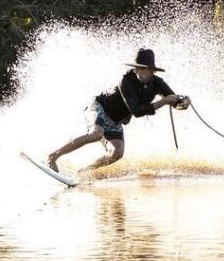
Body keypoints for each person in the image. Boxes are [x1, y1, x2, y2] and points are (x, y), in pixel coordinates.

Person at [47, 48, 187, 173]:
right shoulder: (127, 80)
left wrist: (184, 102)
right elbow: (137, 112)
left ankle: (83, 172)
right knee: (96, 133)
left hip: (115, 121)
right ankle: (53, 156)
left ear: (152, 70)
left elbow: (175, 101)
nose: (139, 72)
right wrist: (164, 101)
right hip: (99, 107)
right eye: (137, 68)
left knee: (117, 153)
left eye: (143, 69)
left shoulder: (158, 83)